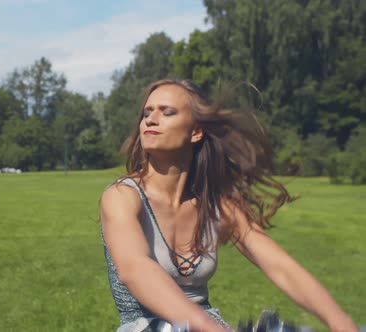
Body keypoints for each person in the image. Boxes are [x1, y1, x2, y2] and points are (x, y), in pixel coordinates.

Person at [99, 79, 357, 332]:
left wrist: (341, 323)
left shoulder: (217, 206)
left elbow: (282, 268)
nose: (151, 120)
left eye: (167, 112)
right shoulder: (122, 197)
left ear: (196, 131)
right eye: (147, 112)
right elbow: (136, 270)